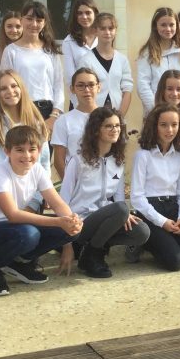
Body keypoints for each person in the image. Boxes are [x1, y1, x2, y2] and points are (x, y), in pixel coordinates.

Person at [0, 126, 82, 296]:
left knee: (72, 229)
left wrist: (71, 221)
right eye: (19, 150)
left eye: (32, 150)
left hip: (17, 227)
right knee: (29, 234)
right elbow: (13, 214)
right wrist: (58, 222)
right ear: (7, 151)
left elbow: (57, 202)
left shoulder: (37, 169)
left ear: (39, 150)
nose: (26, 155)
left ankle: (18, 262)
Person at [59, 108, 150, 278]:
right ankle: (92, 255)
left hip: (105, 218)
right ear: (95, 130)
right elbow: (62, 202)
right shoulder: (78, 161)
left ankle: (92, 250)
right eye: (108, 126)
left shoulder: (118, 161)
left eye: (117, 126)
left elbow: (119, 199)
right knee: (121, 209)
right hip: (79, 223)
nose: (115, 130)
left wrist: (124, 215)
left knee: (142, 232)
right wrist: (67, 245)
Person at [129, 104, 180, 271]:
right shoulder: (143, 155)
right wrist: (162, 222)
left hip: (173, 208)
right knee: (175, 262)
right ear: (154, 126)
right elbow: (137, 197)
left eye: (174, 124)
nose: (169, 130)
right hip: (150, 211)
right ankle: (144, 243)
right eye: (163, 125)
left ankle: (166, 241)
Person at [0, 70, 52, 186]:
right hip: (3, 194)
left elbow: (44, 163)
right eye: (3, 89)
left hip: (34, 195)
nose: (10, 91)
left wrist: (39, 197)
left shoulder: (36, 122)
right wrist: (2, 195)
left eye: (14, 86)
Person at [0, 0, 64, 132]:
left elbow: (58, 85)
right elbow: (6, 85)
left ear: (44, 23)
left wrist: (54, 115)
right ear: (21, 20)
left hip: (47, 111)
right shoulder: (11, 51)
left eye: (39, 20)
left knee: (45, 152)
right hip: (21, 109)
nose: (34, 24)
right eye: (29, 19)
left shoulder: (50, 50)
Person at [136, 6, 180, 112]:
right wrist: (156, 110)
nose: (168, 29)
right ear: (155, 26)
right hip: (155, 113)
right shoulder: (147, 54)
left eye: (171, 25)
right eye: (163, 25)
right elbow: (143, 85)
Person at [77, 12, 132, 116]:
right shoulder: (86, 60)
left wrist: (120, 116)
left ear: (115, 31)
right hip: (92, 115)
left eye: (111, 28)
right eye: (102, 28)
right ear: (95, 31)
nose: (107, 32)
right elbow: (83, 91)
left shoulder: (122, 60)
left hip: (117, 114)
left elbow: (127, 90)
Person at [51, 68, 101, 179]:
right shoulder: (63, 121)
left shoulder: (109, 118)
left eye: (91, 85)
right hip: (77, 184)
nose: (86, 90)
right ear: (72, 89)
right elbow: (59, 160)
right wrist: (70, 186)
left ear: (99, 87)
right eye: (81, 85)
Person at [62, 0, 99, 108]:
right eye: (80, 13)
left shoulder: (103, 37)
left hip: (102, 99)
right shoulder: (69, 41)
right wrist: (79, 104)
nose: (84, 17)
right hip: (79, 101)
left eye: (88, 13)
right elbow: (70, 77)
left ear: (95, 14)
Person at [0, 11, 22, 77]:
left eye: (18, 26)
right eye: (9, 26)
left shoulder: (28, 50)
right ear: (4, 28)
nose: (14, 30)